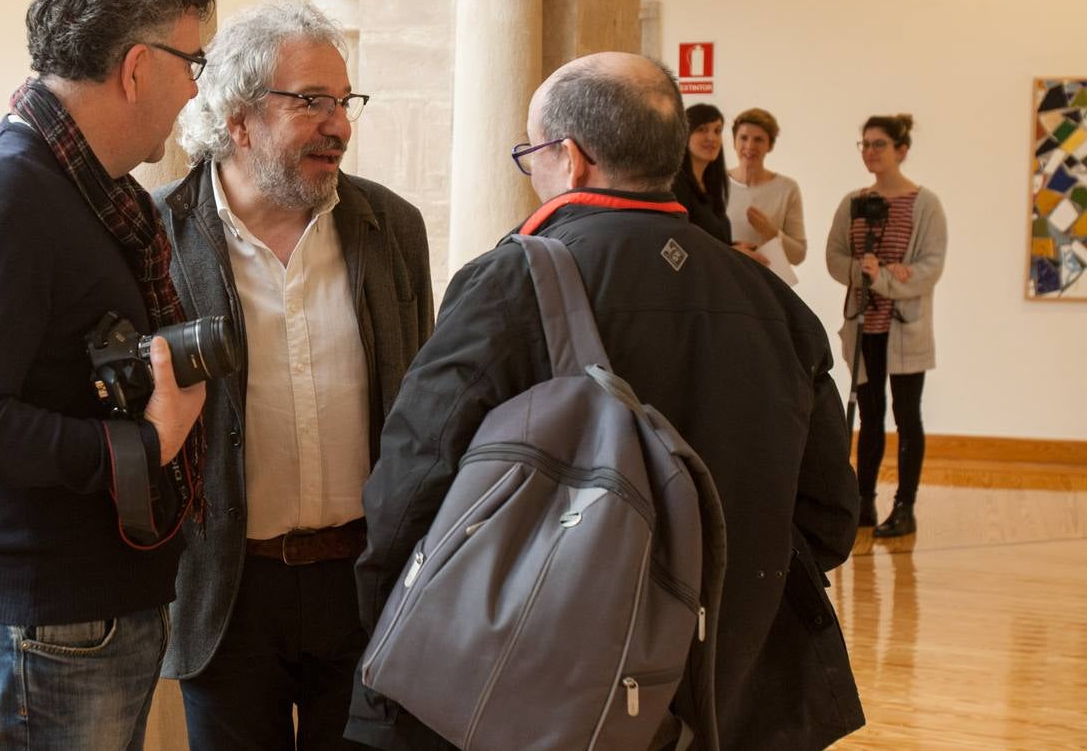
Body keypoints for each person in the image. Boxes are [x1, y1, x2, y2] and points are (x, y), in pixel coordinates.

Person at [351, 52, 864, 750]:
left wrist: (385, 609)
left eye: (529, 154)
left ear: (570, 156)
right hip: (727, 690)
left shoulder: (510, 283)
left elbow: (414, 477)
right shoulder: (774, 303)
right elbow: (831, 517)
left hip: (549, 686)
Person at [0, 0, 214, 750]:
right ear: (137, 67)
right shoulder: (7, 197)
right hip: (37, 631)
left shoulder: (82, 190)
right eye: (193, 63)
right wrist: (138, 445)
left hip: (72, 624)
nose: (194, 92)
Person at [153, 0, 434, 750]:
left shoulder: (390, 229)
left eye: (344, 102)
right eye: (311, 101)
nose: (338, 124)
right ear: (238, 117)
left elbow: (424, 414)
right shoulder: (156, 236)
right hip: (226, 596)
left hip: (365, 584)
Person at [825, 114, 946, 539]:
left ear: (902, 149)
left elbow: (930, 267)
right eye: (865, 144)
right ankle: (863, 502)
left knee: (907, 416)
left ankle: (906, 506)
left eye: (879, 144)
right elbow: (835, 257)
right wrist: (863, 271)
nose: (871, 152)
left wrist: (884, 279)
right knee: (869, 416)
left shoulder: (924, 203)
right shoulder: (853, 202)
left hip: (905, 328)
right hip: (864, 329)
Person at [727, 107, 807, 267]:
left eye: (758, 140)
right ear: (734, 142)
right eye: (743, 138)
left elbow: (798, 255)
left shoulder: (787, 189)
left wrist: (771, 232)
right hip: (726, 281)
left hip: (769, 286)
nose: (749, 146)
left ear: (770, 145)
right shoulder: (715, 184)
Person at [672, 102, 731, 242]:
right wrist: (732, 252)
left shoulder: (712, 183)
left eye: (717, 131)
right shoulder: (676, 183)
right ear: (685, 135)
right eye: (702, 129)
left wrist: (735, 248)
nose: (712, 138)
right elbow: (680, 242)